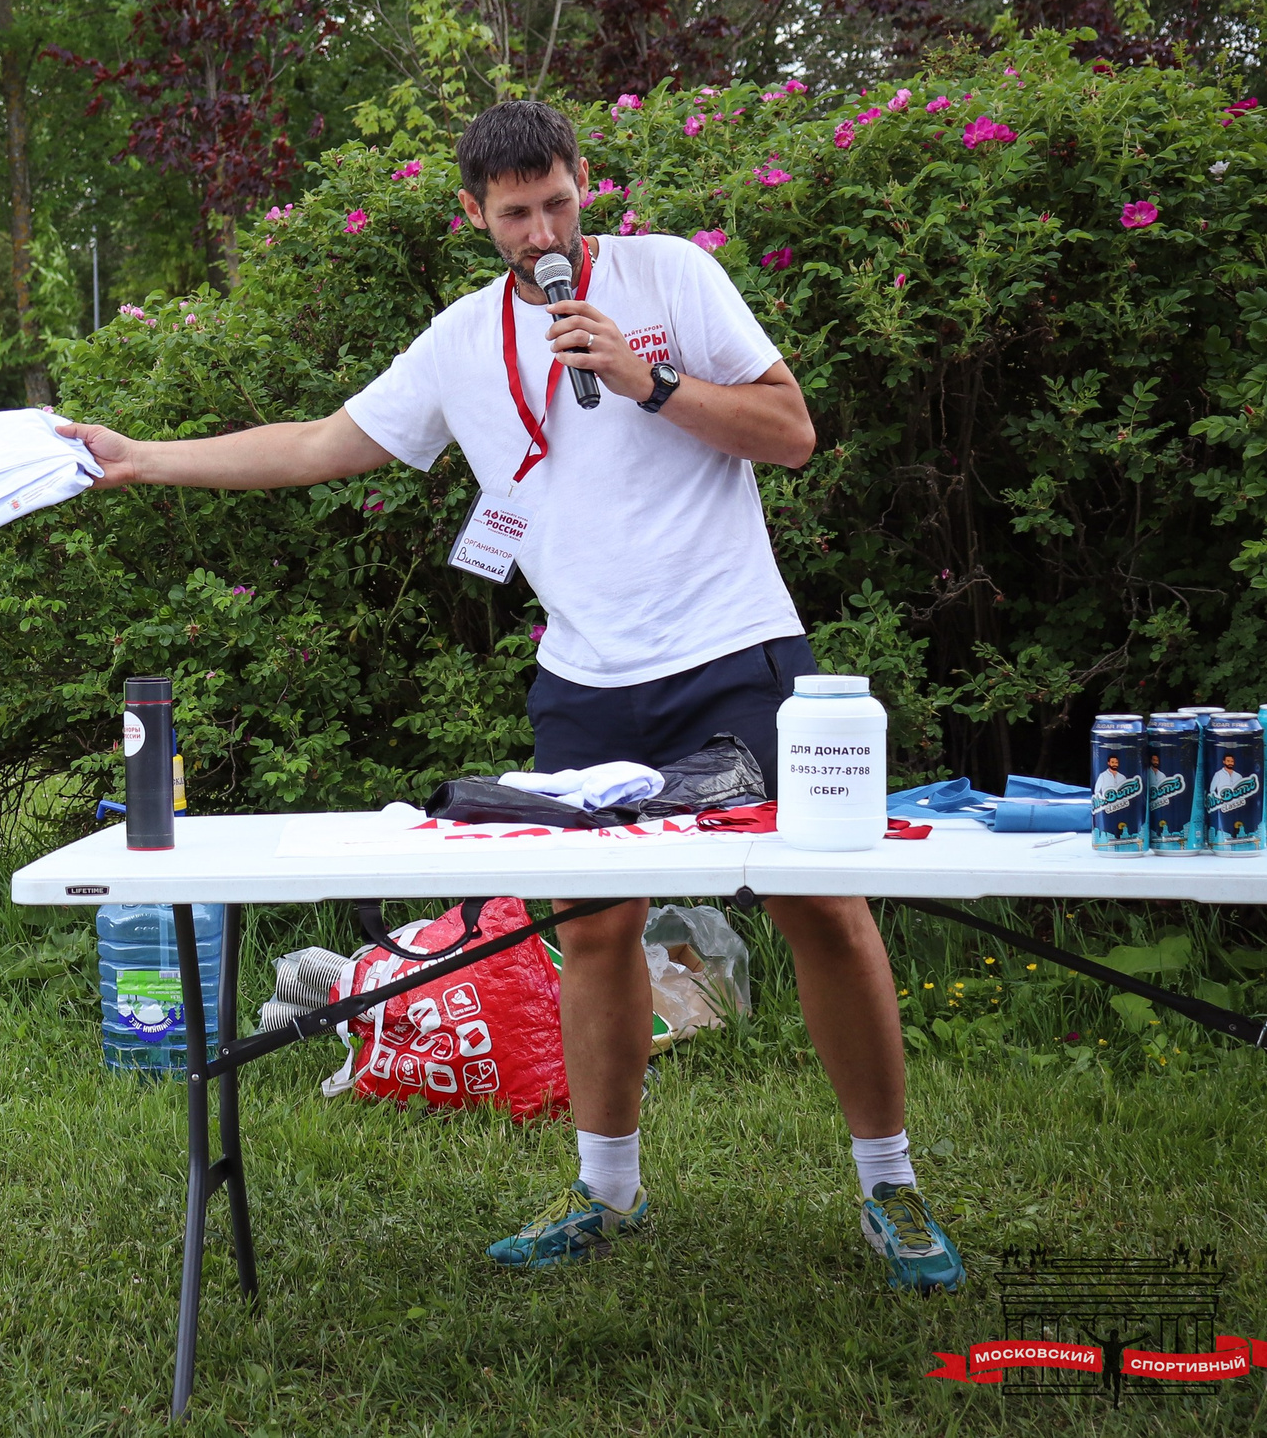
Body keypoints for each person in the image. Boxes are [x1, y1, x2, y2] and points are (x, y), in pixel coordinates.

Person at [57, 100, 964, 1292]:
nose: (542, 229)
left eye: (557, 201)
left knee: (821, 911)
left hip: (736, 654)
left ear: (586, 183)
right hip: (585, 685)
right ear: (475, 217)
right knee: (592, 929)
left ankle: (889, 1185)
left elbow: (789, 432)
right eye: (514, 212)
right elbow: (323, 443)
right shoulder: (457, 343)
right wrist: (146, 458)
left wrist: (650, 380)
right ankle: (608, 1193)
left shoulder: (670, 277)